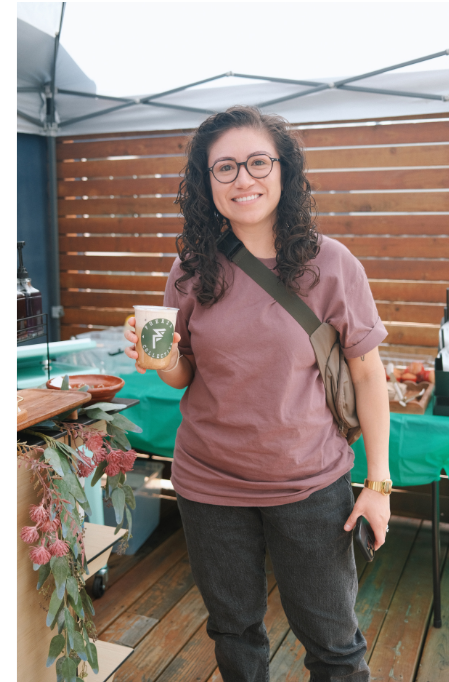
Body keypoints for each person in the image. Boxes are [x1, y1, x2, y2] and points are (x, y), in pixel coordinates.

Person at [123, 105, 388, 681]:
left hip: (310, 484)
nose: (243, 178)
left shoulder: (332, 264)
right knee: (234, 633)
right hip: (208, 482)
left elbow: (369, 376)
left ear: (284, 172)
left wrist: (379, 486)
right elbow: (184, 374)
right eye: (224, 168)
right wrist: (162, 359)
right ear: (206, 182)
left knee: (334, 644)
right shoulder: (191, 267)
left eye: (257, 162)